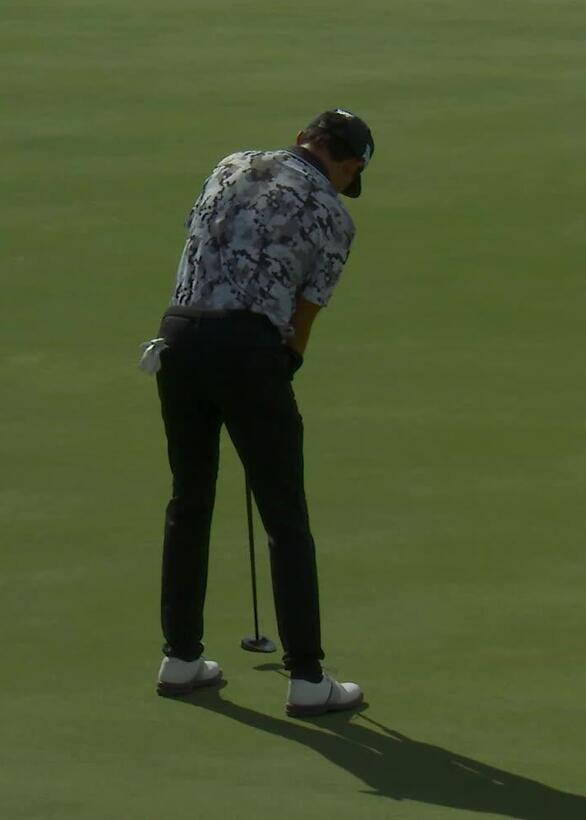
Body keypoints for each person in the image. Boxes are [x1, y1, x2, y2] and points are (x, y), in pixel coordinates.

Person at [144, 109, 374, 717]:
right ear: (347, 165)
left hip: (177, 338)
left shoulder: (229, 163)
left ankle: (180, 658)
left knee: (189, 501)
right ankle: (306, 677)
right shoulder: (334, 215)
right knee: (283, 515)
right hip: (247, 350)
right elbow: (301, 321)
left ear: (304, 138)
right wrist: (279, 368)